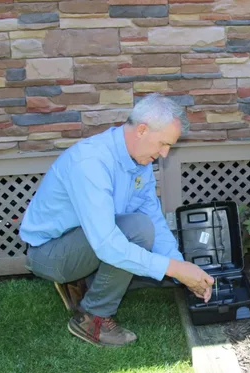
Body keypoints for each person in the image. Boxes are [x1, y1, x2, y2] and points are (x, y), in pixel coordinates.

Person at [19, 93, 214, 347]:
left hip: (82, 239)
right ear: (142, 130)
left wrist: (181, 272)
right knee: (135, 232)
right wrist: (175, 269)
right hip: (49, 253)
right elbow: (108, 245)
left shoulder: (139, 163)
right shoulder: (91, 163)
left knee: (144, 228)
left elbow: (153, 218)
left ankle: (83, 283)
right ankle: (92, 317)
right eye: (164, 144)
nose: (165, 154)